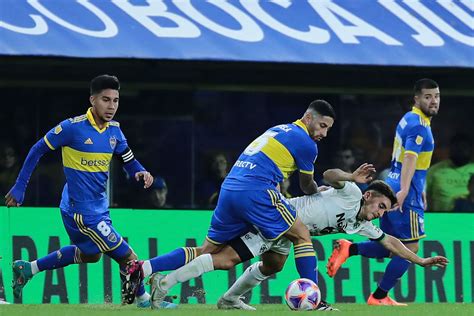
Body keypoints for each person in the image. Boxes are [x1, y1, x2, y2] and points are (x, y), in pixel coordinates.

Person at [127, 99, 336, 309]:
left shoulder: (278, 129)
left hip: (229, 190)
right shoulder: (307, 143)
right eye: (322, 126)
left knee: (207, 249)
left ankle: (145, 267)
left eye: (328, 129)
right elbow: (306, 184)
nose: (324, 134)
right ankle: (315, 301)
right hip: (256, 191)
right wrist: (319, 191)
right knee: (301, 235)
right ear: (308, 118)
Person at [5, 75, 174, 308]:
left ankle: (29, 268)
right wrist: (20, 186)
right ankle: (144, 301)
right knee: (128, 257)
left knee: (92, 255)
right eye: (106, 100)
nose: (111, 106)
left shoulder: (115, 131)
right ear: (93, 100)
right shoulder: (71, 128)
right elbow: (37, 149)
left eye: (115, 100)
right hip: (82, 212)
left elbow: (128, 158)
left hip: (98, 207)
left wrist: (140, 171)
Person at [217, 164, 448, 310]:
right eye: (381, 207)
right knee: (224, 258)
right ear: (368, 195)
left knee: (273, 266)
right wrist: (350, 176)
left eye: (384, 211)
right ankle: (315, 303)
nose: (379, 214)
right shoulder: (352, 193)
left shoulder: (361, 223)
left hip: (290, 233)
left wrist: (421, 261)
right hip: (278, 218)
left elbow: (391, 242)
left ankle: (229, 299)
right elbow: (328, 174)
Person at [348, 78, 440, 305]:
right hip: (405, 191)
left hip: (395, 181)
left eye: (436, 96)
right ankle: (378, 296)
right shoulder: (419, 124)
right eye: (427, 97)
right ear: (417, 98)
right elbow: (410, 157)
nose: (433, 101)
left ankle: (349, 250)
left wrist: (421, 188)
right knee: (410, 247)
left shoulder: (409, 118)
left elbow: (408, 160)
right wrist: (408, 189)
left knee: (392, 245)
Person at [426, 133, 474, 212]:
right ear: (450, 149)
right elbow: (422, 195)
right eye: (457, 147)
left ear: (471, 149)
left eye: (464, 147)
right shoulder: (435, 170)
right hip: (440, 218)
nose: (460, 150)